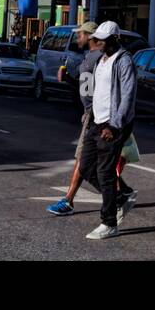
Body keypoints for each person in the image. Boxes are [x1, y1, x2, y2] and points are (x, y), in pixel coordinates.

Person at [77, 21, 138, 239]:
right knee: (85, 168)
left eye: (103, 39)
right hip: (96, 120)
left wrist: (115, 125)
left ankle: (109, 223)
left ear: (115, 39)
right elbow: (97, 89)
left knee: (105, 172)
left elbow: (128, 96)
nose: (100, 42)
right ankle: (120, 197)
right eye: (98, 39)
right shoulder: (102, 60)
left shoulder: (123, 61)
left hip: (113, 125)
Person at [46, 21, 98, 217]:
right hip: (89, 115)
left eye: (81, 34)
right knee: (94, 161)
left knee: (83, 159)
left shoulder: (100, 59)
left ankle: (68, 200)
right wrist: (67, 78)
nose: (77, 38)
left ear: (90, 36)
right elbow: (83, 86)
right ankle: (121, 193)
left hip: (96, 116)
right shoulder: (87, 58)